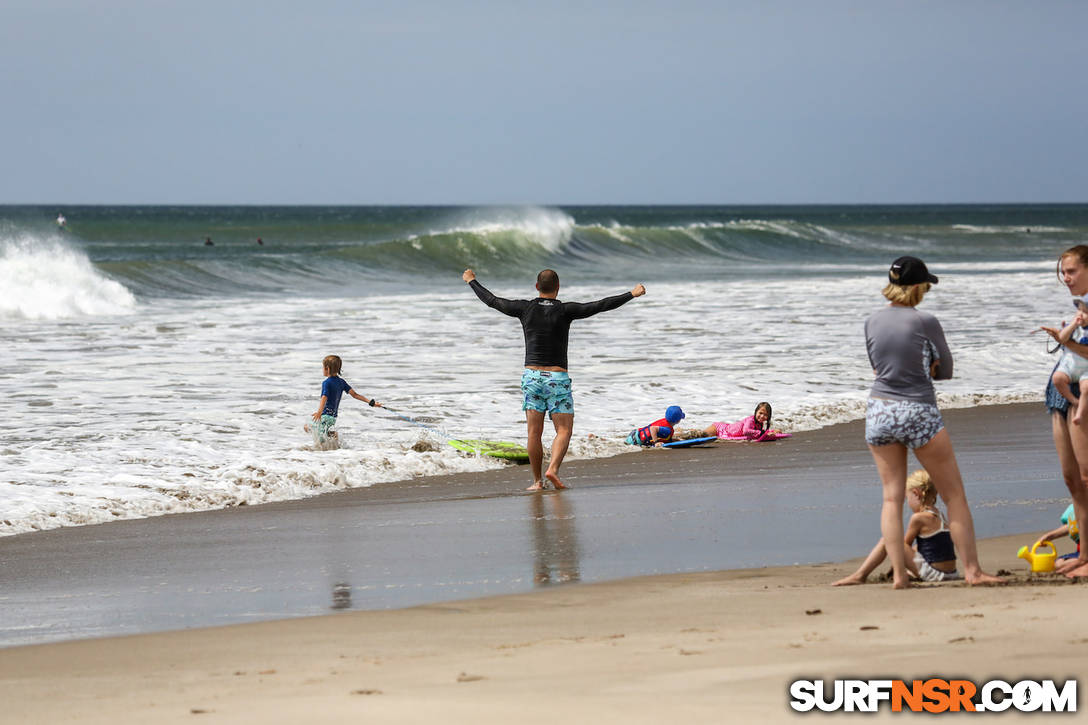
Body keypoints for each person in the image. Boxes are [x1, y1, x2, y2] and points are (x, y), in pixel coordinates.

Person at [862, 255, 1001, 588]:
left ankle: (898, 574)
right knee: (954, 496)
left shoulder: (871, 321)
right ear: (916, 287)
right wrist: (929, 368)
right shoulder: (925, 321)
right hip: (917, 409)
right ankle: (972, 572)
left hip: (880, 408)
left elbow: (877, 369)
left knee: (891, 499)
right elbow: (946, 370)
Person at [463, 268, 645, 490]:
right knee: (564, 430)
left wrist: (472, 281)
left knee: (533, 433)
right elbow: (599, 305)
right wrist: (631, 294)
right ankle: (553, 469)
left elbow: (492, 300)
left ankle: (537, 481)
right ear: (558, 287)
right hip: (557, 378)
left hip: (532, 377)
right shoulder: (566, 310)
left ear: (537, 287)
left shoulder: (524, 308)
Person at [1039, 245, 1088, 577]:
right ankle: (1083, 551)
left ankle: (1086, 556)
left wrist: (1065, 341)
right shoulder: (1080, 306)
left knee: (1086, 477)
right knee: (1072, 480)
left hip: (1082, 391)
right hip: (1061, 393)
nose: (1065, 278)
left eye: (1071, 271)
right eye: (1063, 272)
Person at [833, 469, 962, 585]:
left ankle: (859, 576)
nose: (908, 503)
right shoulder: (939, 515)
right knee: (919, 546)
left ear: (916, 494)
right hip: (951, 573)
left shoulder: (918, 518)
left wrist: (894, 570)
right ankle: (911, 573)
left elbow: (900, 546)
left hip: (936, 575)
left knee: (887, 540)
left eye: (908, 498)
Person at [304, 354, 383, 447]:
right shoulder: (341, 382)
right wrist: (371, 402)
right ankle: (332, 439)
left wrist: (319, 412)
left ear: (327, 369)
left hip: (325, 415)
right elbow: (355, 395)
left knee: (308, 428)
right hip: (333, 417)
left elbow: (324, 397)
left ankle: (327, 447)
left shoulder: (326, 383)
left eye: (323, 367)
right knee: (323, 433)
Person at [1048, 296, 1088, 424]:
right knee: (1057, 378)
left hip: (1086, 369)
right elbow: (1062, 338)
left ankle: (1080, 413)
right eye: (1079, 310)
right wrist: (1072, 325)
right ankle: (1074, 401)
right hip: (1070, 365)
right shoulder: (1074, 327)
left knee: (1086, 388)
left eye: (1085, 312)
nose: (1081, 315)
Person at [703, 402, 782, 441]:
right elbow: (746, 431)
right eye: (760, 413)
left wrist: (774, 431)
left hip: (727, 430)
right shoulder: (750, 420)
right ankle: (691, 432)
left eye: (765, 415)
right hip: (720, 428)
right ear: (756, 412)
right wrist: (763, 433)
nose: (762, 416)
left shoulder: (760, 424)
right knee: (702, 435)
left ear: (768, 417)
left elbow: (758, 432)